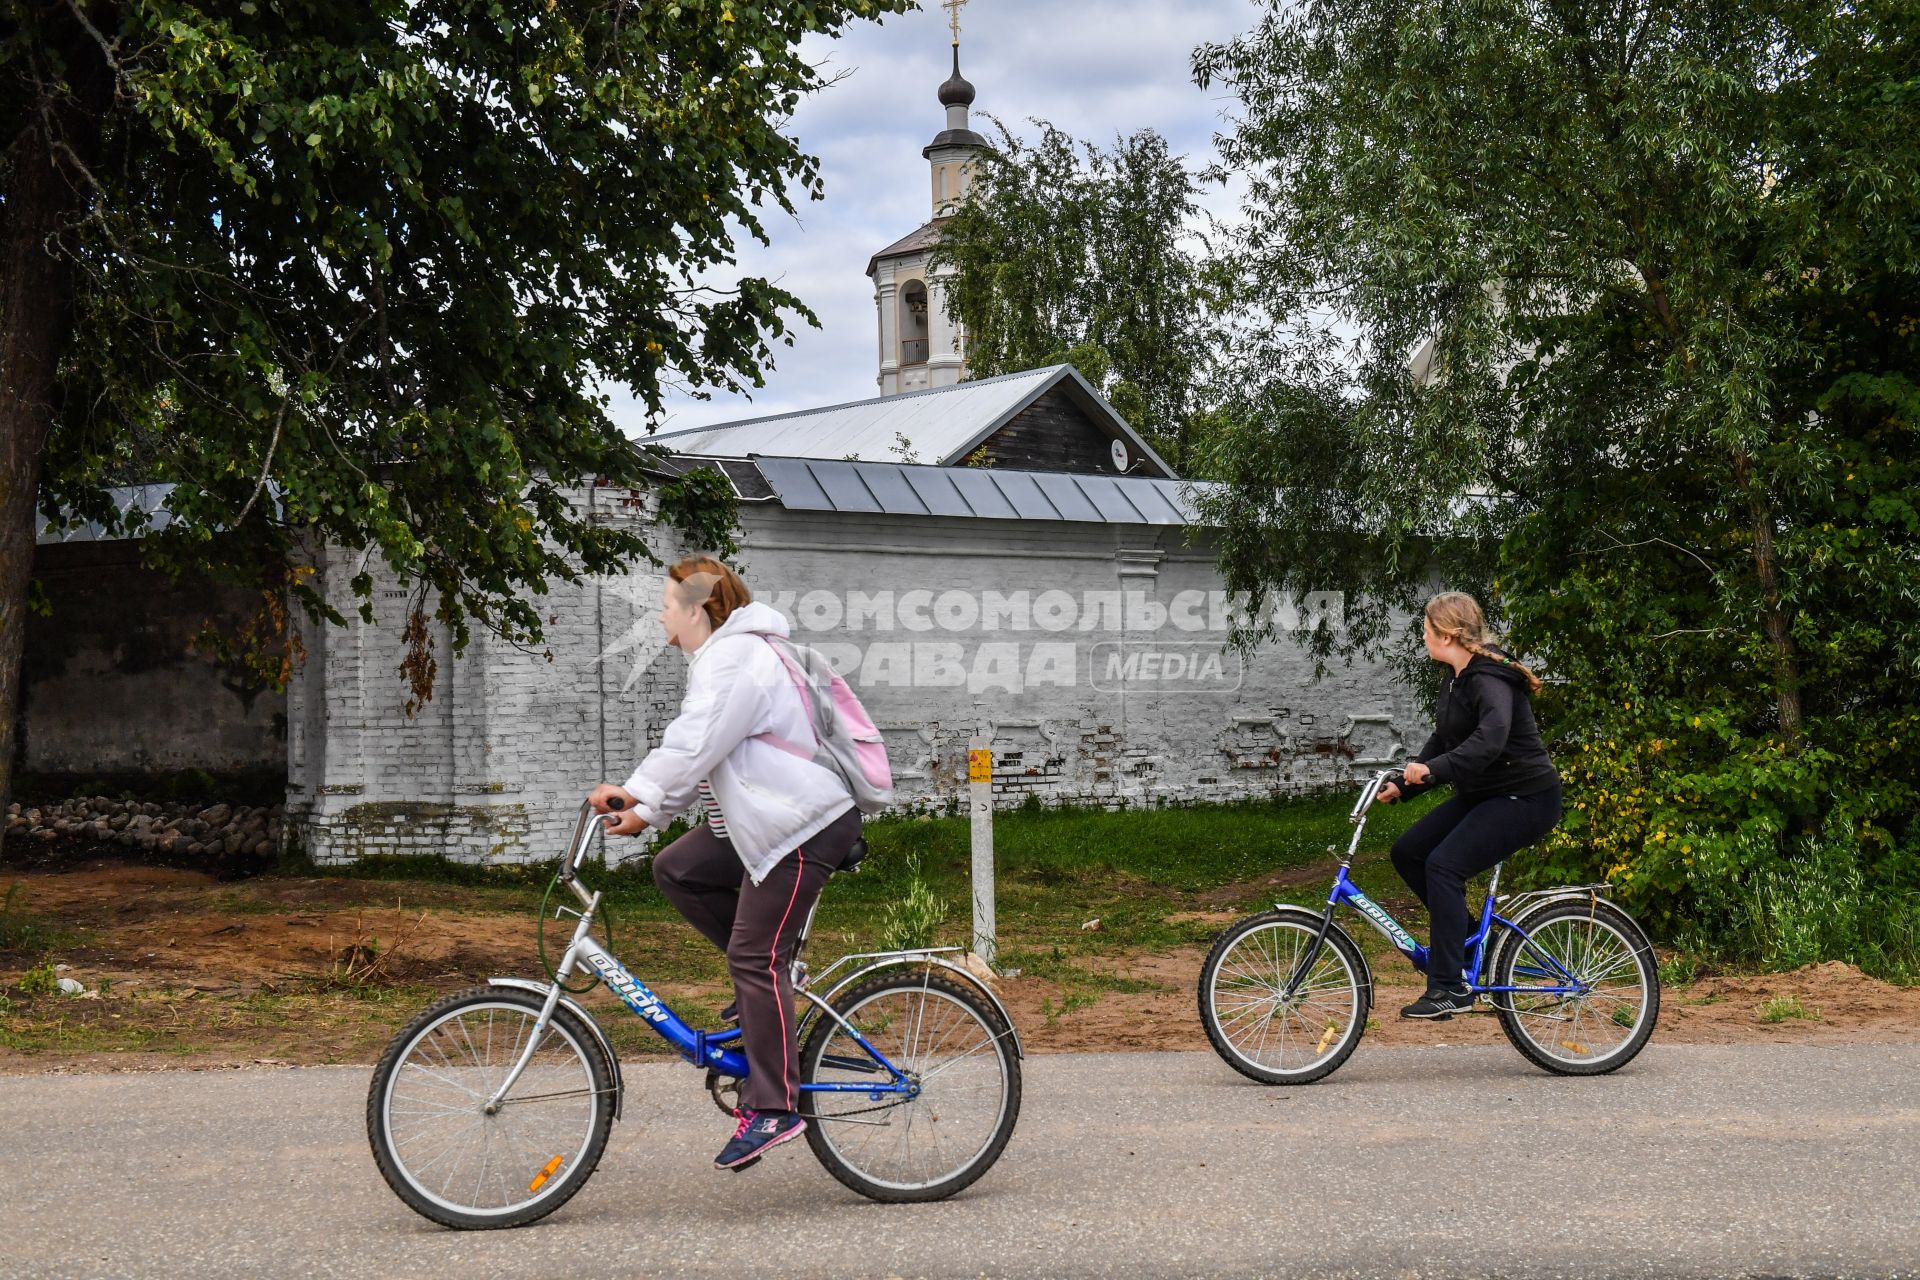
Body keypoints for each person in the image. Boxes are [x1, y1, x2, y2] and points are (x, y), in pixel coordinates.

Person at [589, 555, 862, 1170]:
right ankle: (775, 982)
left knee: (752, 953)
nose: (659, 613)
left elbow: (693, 742)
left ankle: (775, 1106)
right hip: (761, 825)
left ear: (697, 609)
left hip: (803, 828)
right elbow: (706, 752)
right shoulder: (725, 658)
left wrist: (636, 792)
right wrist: (648, 812)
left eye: (666, 603)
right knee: (676, 869)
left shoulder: (734, 657)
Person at [1375, 591, 1561, 1019]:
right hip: (1487, 794)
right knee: (1410, 853)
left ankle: (1448, 987)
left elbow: (1490, 741)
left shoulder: (1488, 677)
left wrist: (1434, 771)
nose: (1422, 636)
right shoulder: (1459, 676)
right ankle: (1478, 943)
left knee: (1443, 865)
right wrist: (1406, 783)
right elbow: (1446, 739)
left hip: (1527, 798)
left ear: (1446, 634)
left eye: (1426, 629)